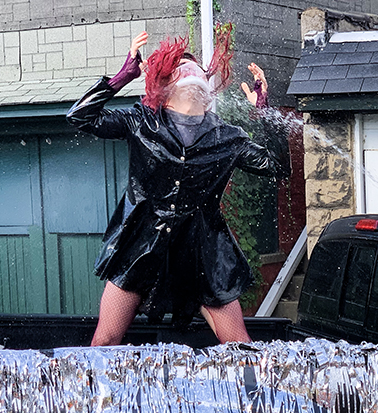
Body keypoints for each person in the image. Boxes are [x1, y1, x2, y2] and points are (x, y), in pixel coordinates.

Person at [66, 28, 291, 346]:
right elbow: (80, 117)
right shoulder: (141, 122)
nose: (190, 69)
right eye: (181, 66)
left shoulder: (227, 137)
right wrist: (123, 76)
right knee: (104, 341)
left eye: (195, 66)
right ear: (165, 83)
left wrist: (264, 113)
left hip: (203, 257)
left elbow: (277, 167)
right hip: (140, 249)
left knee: (239, 345)